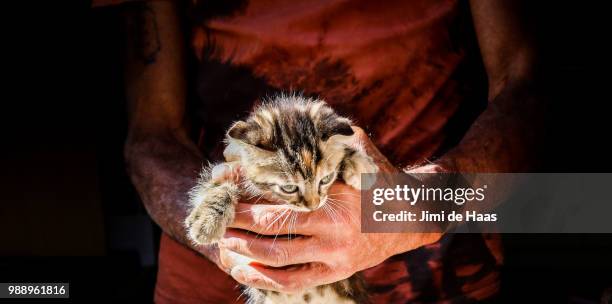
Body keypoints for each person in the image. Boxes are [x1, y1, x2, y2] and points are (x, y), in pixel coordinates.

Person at [111, 0, 543, 302]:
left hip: (436, 278)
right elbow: (151, 136)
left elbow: (531, 88)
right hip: (213, 288)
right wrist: (228, 236)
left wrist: (421, 209)